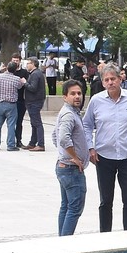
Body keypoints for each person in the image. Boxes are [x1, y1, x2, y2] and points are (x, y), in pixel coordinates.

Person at [81, 64, 127, 232]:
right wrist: (90, 147)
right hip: (104, 157)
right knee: (106, 201)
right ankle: (105, 235)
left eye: (113, 79)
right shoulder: (96, 100)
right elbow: (87, 125)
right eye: (107, 80)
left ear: (120, 79)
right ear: (103, 82)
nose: (110, 82)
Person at [52, 79, 89, 235]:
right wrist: (74, 157)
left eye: (79, 93)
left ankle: (62, 240)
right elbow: (62, 138)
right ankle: (66, 241)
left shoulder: (70, 112)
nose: (77, 96)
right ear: (65, 96)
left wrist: (64, 153)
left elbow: (55, 136)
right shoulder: (68, 114)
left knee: (66, 206)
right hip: (71, 169)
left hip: (64, 166)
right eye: (72, 94)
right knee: (74, 208)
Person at [0, 60, 25, 151]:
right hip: (11, 104)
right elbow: (20, 86)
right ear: (15, 69)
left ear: (7, 68)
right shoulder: (16, 79)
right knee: (11, 125)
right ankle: (10, 145)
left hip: (0, 104)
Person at [23, 57, 48, 151]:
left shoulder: (35, 74)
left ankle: (41, 144)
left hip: (34, 101)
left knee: (37, 123)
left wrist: (25, 83)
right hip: (33, 101)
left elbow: (33, 88)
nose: (26, 65)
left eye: (28, 63)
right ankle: (32, 142)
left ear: (33, 64)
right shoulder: (35, 73)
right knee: (33, 123)